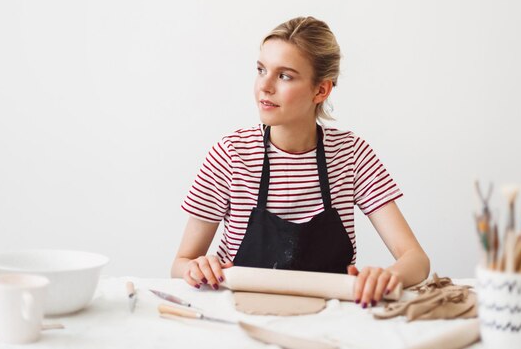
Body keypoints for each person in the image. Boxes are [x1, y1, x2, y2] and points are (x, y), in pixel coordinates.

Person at [171, 16, 429, 308]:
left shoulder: (351, 154)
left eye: (285, 76)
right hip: (241, 315)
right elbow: (180, 263)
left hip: (332, 320)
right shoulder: (231, 154)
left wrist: (388, 276)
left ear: (321, 90)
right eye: (261, 70)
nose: (264, 86)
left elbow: (416, 260)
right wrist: (196, 269)